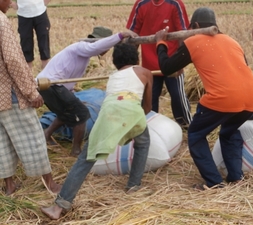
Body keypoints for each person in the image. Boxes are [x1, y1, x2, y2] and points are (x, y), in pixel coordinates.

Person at [40, 43, 153, 220]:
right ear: (136, 58)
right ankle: (133, 186)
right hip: (132, 109)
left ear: (115, 62)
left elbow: (113, 100)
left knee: (86, 158)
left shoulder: (113, 77)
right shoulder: (145, 72)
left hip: (107, 111)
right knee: (143, 143)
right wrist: (132, 123)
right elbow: (147, 107)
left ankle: (59, 206)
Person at [155, 7, 253, 190]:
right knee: (229, 132)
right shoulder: (232, 40)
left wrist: (160, 43)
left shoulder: (193, 40)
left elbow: (167, 69)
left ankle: (214, 182)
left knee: (195, 135)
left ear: (195, 26)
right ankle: (236, 177)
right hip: (251, 97)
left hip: (222, 98)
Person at [37, 26, 135, 157]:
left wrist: (72, 97)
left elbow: (69, 78)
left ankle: (46, 134)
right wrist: (120, 35)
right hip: (51, 84)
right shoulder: (81, 47)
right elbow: (95, 47)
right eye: (106, 46)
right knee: (82, 113)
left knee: (67, 112)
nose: (106, 50)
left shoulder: (83, 55)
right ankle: (76, 150)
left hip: (51, 85)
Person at [0, 0, 60, 196]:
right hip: (9, 92)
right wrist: (31, 92)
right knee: (32, 135)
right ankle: (49, 183)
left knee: (2, 140)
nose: (10, 2)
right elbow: (14, 61)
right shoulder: (1, 21)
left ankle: (9, 186)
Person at [126, 0, 192, 129]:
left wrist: (179, 63)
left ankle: (187, 126)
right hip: (149, 65)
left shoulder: (175, 4)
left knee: (178, 97)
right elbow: (133, 36)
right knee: (149, 99)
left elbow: (182, 35)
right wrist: (131, 65)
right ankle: (150, 127)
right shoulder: (141, 4)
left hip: (171, 62)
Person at [10, 0, 51, 70]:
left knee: (44, 41)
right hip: (23, 14)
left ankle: (46, 71)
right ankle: (29, 74)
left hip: (40, 11)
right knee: (26, 43)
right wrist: (10, 3)